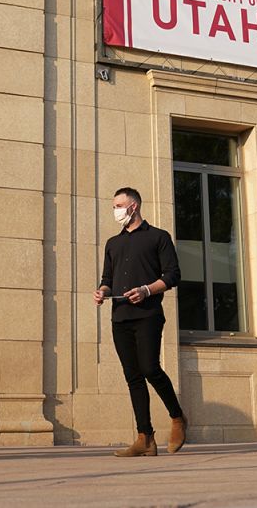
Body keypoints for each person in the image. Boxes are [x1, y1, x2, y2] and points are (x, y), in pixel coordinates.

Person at [94, 187, 188, 457]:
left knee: (150, 368)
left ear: (133, 206)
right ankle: (145, 438)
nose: (115, 211)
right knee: (132, 376)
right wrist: (102, 292)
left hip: (148, 315)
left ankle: (177, 417)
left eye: (119, 206)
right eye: (114, 207)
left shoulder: (159, 237)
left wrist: (147, 290)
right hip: (120, 316)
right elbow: (107, 279)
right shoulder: (113, 243)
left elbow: (173, 275)